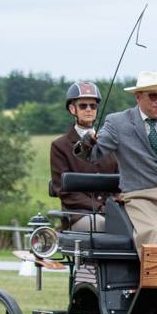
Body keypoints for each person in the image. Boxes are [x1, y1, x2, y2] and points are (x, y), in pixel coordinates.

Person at [75, 71, 157, 253]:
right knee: (156, 233)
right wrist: (87, 142)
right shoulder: (117, 122)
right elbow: (93, 155)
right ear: (138, 97)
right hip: (140, 197)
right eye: (153, 95)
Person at [49, 81, 118, 230]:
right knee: (104, 225)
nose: (89, 110)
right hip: (79, 214)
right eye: (83, 106)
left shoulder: (109, 144)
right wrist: (100, 207)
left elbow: (120, 183)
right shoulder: (60, 146)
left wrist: (113, 206)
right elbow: (65, 191)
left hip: (112, 211)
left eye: (92, 106)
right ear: (72, 109)